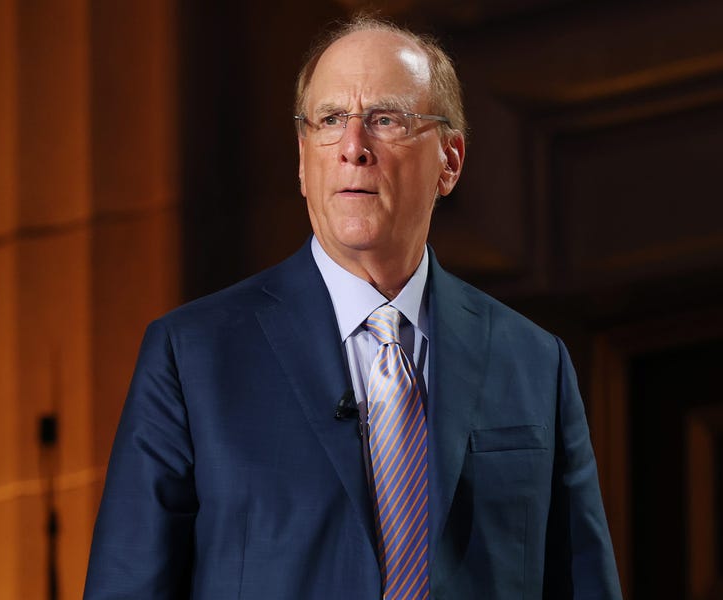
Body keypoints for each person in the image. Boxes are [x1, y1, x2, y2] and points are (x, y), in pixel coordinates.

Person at [83, 16, 621, 600]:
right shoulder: (192, 358)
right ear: (302, 159)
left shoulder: (536, 363)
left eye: (386, 120)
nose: (353, 148)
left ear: (450, 160)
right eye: (330, 120)